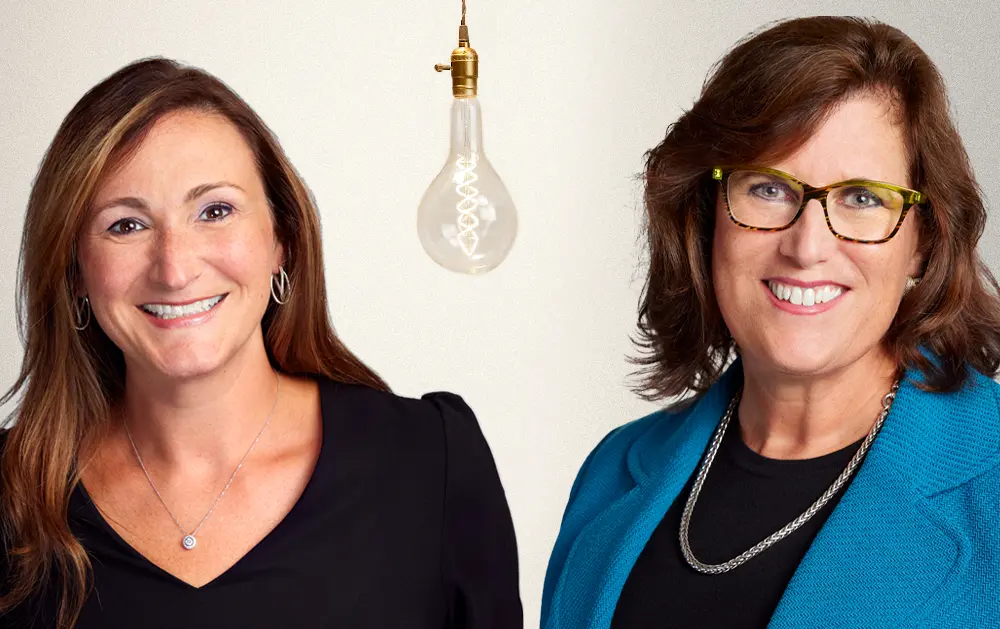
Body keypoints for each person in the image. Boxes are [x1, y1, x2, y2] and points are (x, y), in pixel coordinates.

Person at [0, 58, 521, 629]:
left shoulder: (431, 463)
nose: (174, 269)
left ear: (282, 242)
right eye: (126, 224)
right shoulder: (10, 494)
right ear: (74, 270)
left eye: (215, 211)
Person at [542, 16, 1000, 629]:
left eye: (862, 198)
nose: (807, 246)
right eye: (768, 188)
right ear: (707, 216)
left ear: (923, 242)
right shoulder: (612, 472)